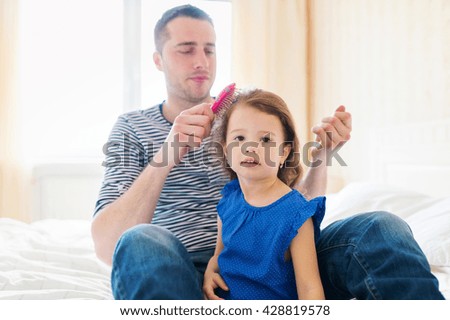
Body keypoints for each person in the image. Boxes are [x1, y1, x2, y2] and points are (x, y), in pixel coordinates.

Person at [91, 4, 444, 299]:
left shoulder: (244, 116)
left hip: (278, 262)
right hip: (178, 268)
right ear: (157, 59)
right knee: (141, 242)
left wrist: (321, 157)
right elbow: (109, 245)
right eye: (186, 49)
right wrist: (167, 155)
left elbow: (290, 212)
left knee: (380, 228)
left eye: (210, 49)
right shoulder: (131, 128)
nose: (201, 61)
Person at [203, 88, 325, 300]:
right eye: (239, 138)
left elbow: (310, 289)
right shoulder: (229, 199)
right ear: (225, 149)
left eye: (266, 140)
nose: (250, 148)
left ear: (283, 152)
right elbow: (218, 257)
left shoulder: (296, 214)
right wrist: (209, 274)